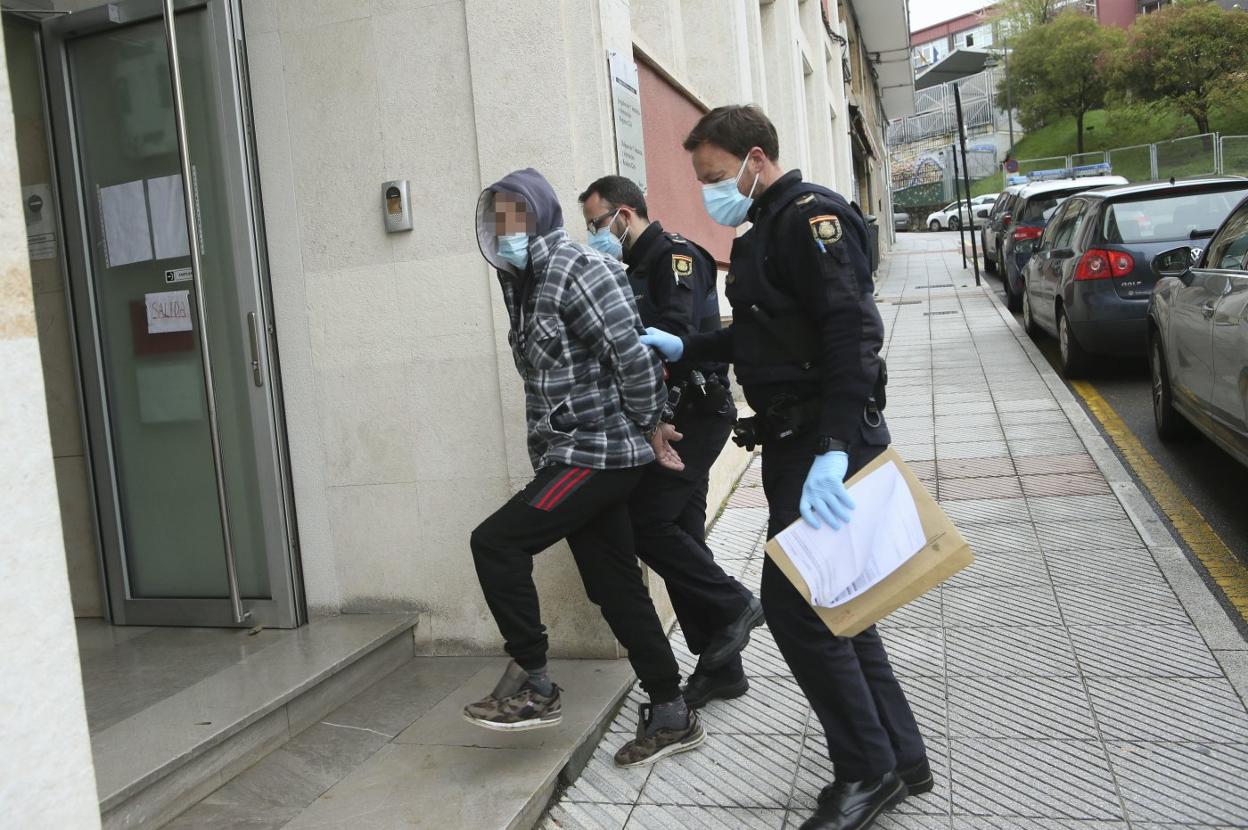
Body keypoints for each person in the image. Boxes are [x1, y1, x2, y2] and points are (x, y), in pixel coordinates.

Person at [641, 107, 930, 830]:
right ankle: (902, 756)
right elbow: (768, 334)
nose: (710, 191)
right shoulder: (764, 226)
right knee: (839, 603)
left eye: (713, 176)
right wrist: (690, 349)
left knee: (800, 611)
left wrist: (835, 447)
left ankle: (866, 773)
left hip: (825, 446)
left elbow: (851, 329)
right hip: (794, 445)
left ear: (755, 159)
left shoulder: (808, 218)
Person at [466, 168, 703, 768]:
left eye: (514, 216)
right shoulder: (519, 283)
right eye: (497, 220)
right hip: (571, 452)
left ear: (540, 215)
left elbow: (634, 356)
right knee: (614, 585)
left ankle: (536, 684)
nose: (505, 230)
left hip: (596, 454)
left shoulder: (578, 269)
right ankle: (672, 708)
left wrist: (651, 426)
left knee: (496, 543)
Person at [578, 175, 764, 710]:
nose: (595, 234)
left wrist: (657, 415)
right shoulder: (629, 268)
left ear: (625, 214)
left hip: (694, 415)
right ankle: (721, 667)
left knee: (648, 522)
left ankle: (734, 605)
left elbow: (673, 340)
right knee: (682, 538)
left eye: (598, 223)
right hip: (672, 417)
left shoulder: (674, 257)